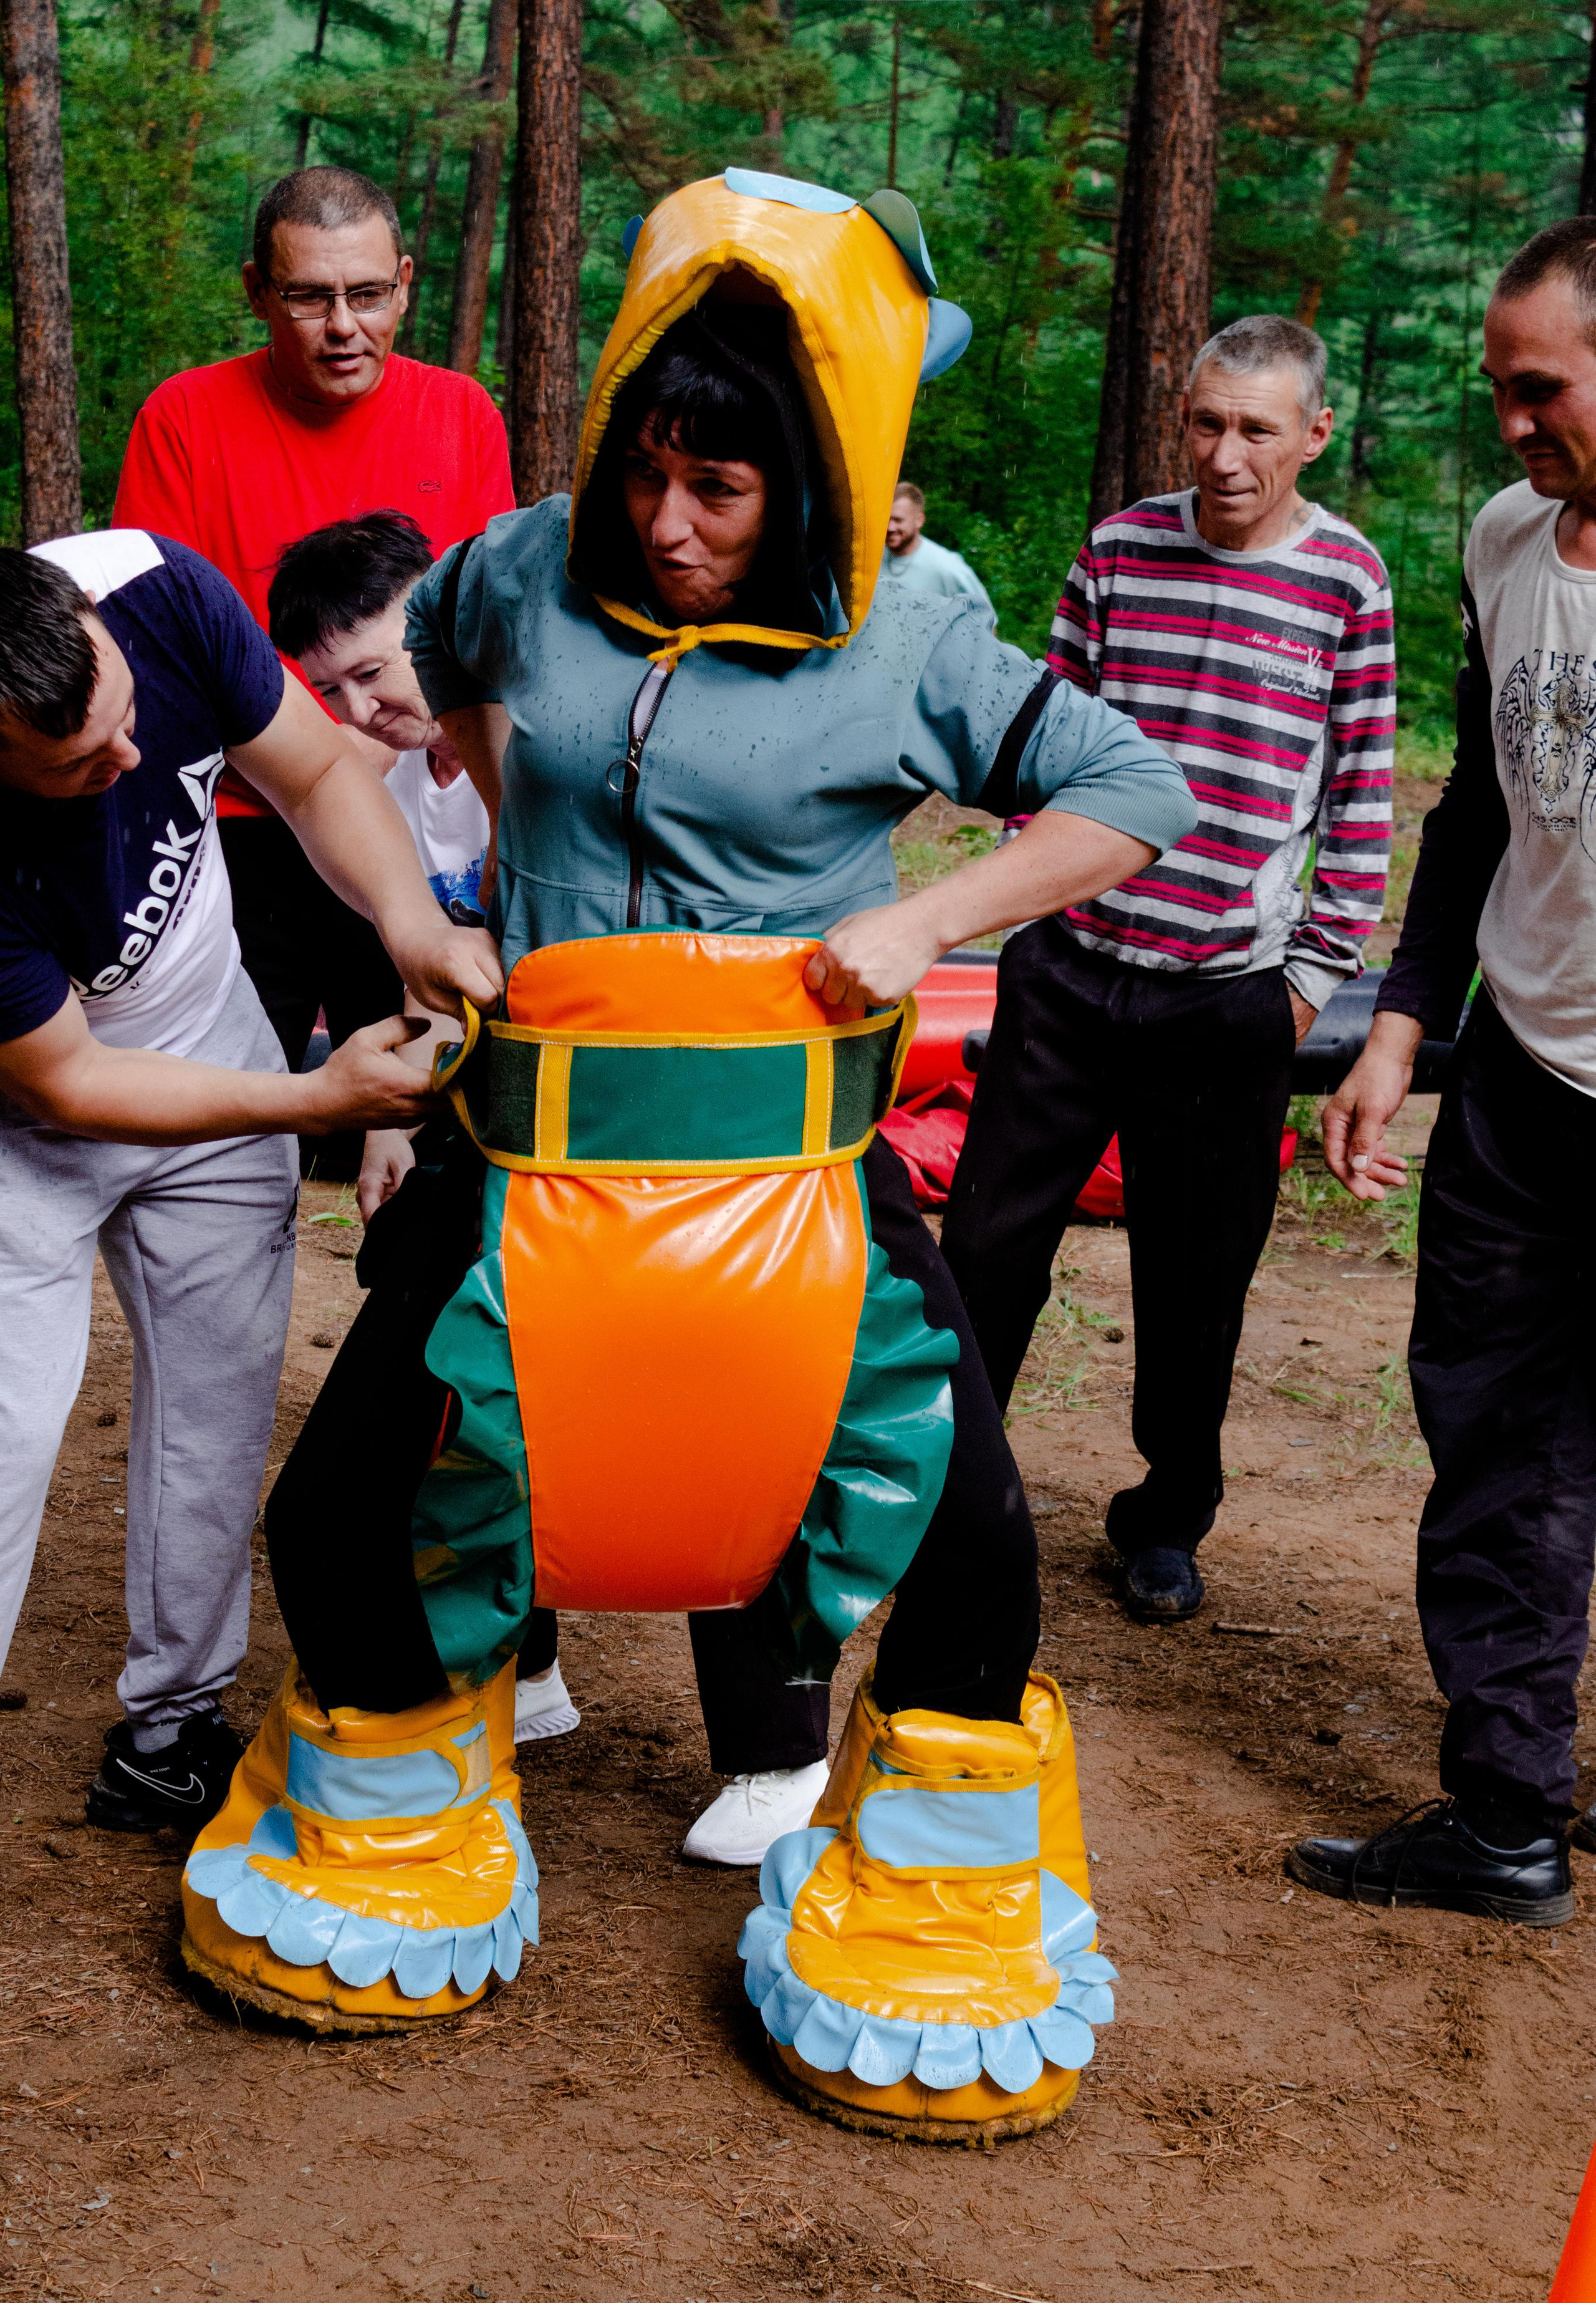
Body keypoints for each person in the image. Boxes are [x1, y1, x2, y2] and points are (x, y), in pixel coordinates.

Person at [178, 168, 1195, 2141]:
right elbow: (457, 678)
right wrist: (458, 897)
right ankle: (398, 1805)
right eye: (650, 469)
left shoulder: (906, 627)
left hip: (792, 1185)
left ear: (810, 475)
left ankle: (935, 1872)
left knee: (966, 1542)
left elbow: (1125, 787)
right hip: (532, 1152)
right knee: (339, 1513)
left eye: (723, 489)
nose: (670, 520)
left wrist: (923, 923)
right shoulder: (527, 561)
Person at [0, 533, 501, 1836]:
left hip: (202, 1024)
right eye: (76, 766)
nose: (130, 766)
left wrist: (409, 926)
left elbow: (320, 774)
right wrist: (314, 1101)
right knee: (3, 1441)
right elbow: (64, 1085)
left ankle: (172, 1729)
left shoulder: (154, 589)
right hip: (23, 1115)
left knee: (217, 1411)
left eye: (125, 720)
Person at [941, 314, 1395, 1623]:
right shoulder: (1120, 550)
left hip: (1225, 996)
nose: (1225, 455)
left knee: (1195, 1282)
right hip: (1072, 975)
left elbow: (1360, 798)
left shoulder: (1347, 584)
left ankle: (1162, 1520)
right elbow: (1045, 733)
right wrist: (1038, 891)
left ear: (1312, 434)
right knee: (981, 1255)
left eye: (1256, 429)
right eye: (1204, 422)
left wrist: (1304, 984)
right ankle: (940, 1493)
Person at [1289, 220, 1596, 1927]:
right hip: (1525, 1082)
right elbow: (1483, 804)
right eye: (1501, 389)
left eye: (1538, 388)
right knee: (1498, 1440)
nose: (1510, 425)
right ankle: (1505, 1808)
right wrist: (1406, 1013)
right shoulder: (1505, 542)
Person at [266, 509, 579, 1750]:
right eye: (329, 688)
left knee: (552, 1384)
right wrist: (396, 1126)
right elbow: (417, 961)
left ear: (442, 627)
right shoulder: (385, 777)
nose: (360, 707)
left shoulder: (543, 742)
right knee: (459, 1374)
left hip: (584, 1110)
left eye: (376, 669)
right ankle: (525, 1659)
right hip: (474, 1102)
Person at [112, 164, 516, 1084]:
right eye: (309, 296)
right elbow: (159, 655)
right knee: (245, 1104)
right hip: (242, 827)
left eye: (369, 294)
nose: (344, 326)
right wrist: (327, 761)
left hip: (423, 825)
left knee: (436, 1098)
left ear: (406, 283)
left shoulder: (460, 413)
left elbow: (487, 626)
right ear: (258, 291)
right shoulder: (183, 419)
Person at [881, 480, 994, 622]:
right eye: (886, 519)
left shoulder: (946, 567)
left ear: (919, 520)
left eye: (898, 520)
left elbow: (987, 621)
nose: (890, 528)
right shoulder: (872, 560)